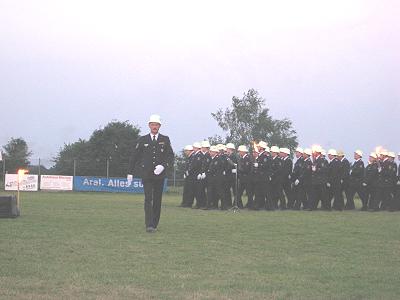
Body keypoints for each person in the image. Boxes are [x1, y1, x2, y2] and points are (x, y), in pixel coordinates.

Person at [128, 114, 174, 233]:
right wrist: (130, 172)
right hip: (147, 174)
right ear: (149, 125)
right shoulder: (143, 139)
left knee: (157, 199)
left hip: (160, 174)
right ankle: (148, 224)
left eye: (156, 125)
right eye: (152, 124)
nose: (154, 126)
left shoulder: (165, 139)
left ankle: (154, 223)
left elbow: (170, 156)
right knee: (148, 199)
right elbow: (135, 156)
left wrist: (163, 166)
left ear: (159, 126)